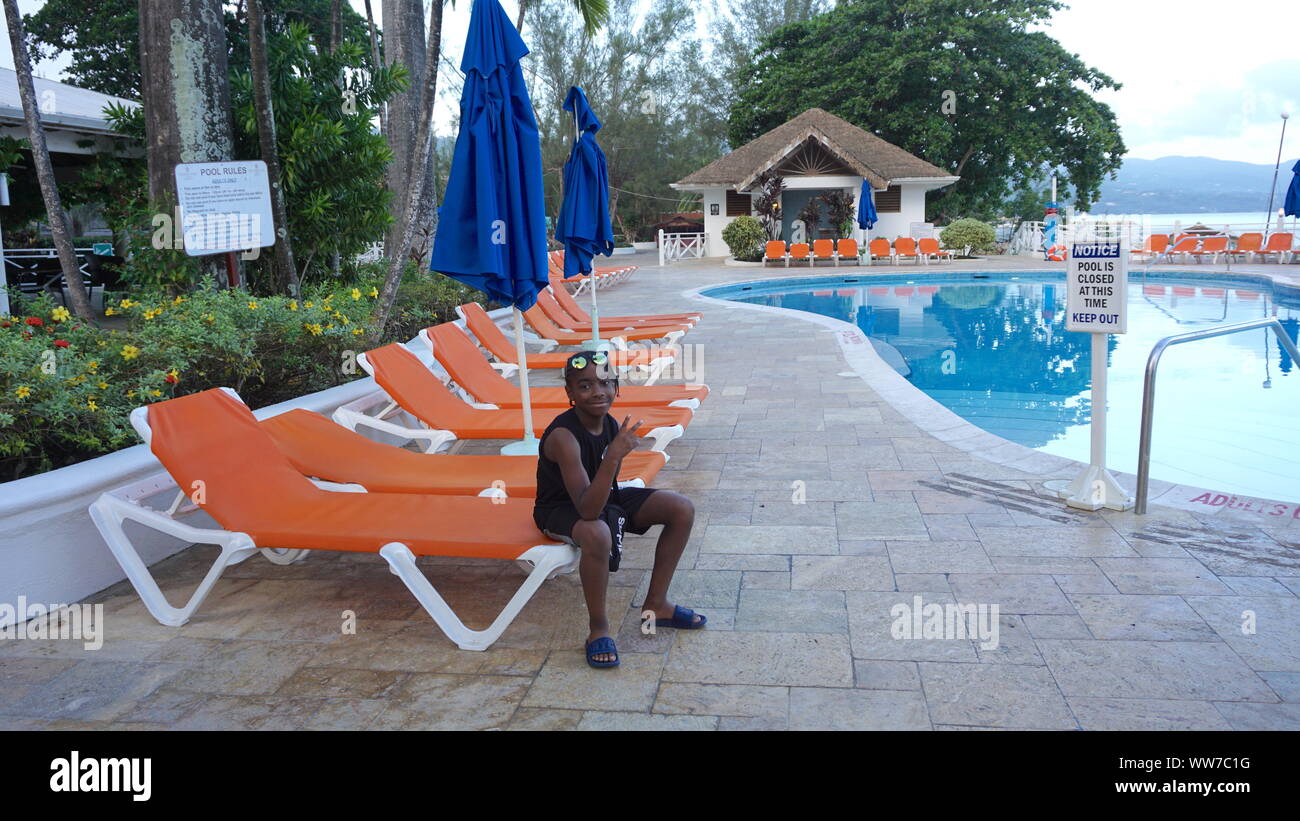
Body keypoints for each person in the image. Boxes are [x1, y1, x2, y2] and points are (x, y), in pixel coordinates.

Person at [534, 351, 705, 668]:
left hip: (601, 497)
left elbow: (604, 492)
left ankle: (657, 605)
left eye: (605, 383)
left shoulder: (610, 424)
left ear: (617, 387)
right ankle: (598, 629)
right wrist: (613, 457)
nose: (597, 392)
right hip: (559, 509)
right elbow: (586, 510)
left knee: (680, 508)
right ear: (569, 393)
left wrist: (613, 462)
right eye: (585, 386)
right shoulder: (563, 437)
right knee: (597, 532)